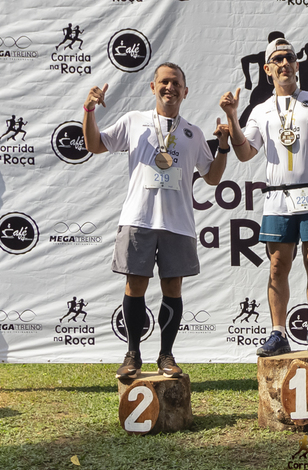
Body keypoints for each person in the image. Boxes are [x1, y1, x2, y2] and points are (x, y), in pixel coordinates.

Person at [83, 63, 230, 380]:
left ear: (185, 91)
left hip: (178, 224)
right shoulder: (134, 121)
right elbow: (95, 145)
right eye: (164, 82)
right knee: (135, 285)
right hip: (139, 219)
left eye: (176, 83)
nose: (170, 87)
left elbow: (214, 177)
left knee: (172, 288)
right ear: (153, 87)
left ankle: (166, 355)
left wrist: (223, 146)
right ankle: (132, 354)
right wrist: (89, 111)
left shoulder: (192, 133)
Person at [219, 38, 308, 357]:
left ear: (297, 64)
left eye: (289, 57)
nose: (284, 63)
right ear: (267, 69)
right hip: (278, 198)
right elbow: (246, 152)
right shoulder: (261, 110)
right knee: (277, 265)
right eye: (277, 59)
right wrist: (233, 119)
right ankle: (278, 332)